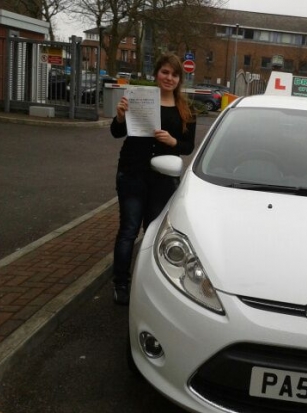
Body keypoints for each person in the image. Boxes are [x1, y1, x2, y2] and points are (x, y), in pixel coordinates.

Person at [110, 54, 196, 305]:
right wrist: (120, 117)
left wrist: (173, 142)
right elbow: (117, 133)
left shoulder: (185, 110)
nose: (169, 78)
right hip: (132, 173)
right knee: (128, 230)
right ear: (156, 74)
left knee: (153, 233)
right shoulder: (139, 100)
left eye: (174, 74)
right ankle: (121, 283)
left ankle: (149, 282)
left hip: (163, 179)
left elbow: (188, 146)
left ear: (180, 79)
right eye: (165, 72)